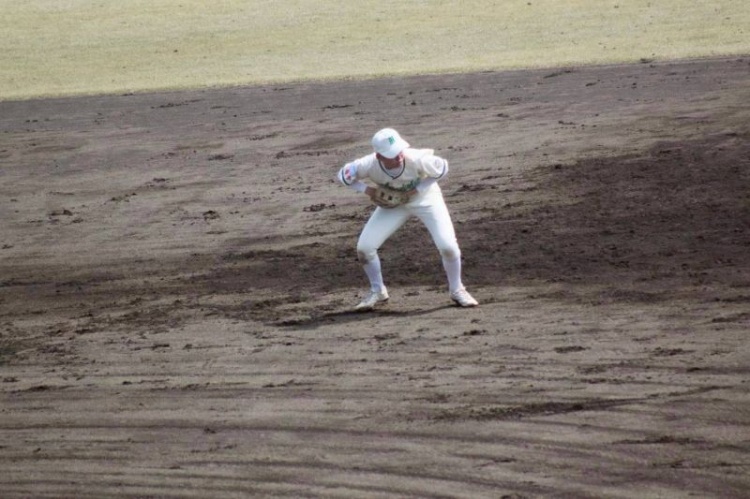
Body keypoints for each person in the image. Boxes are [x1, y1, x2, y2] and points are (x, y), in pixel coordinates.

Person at [336, 127, 479, 311]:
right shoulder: (368, 164)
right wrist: (369, 190)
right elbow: (344, 176)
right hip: (394, 206)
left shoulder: (417, 159)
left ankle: (457, 289)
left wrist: (416, 190)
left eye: (398, 151)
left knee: (448, 246)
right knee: (365, 248)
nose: (398, 156)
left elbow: (442, 168)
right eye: (392, 155)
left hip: (426, 199)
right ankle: (378, 291)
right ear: (379, 156)